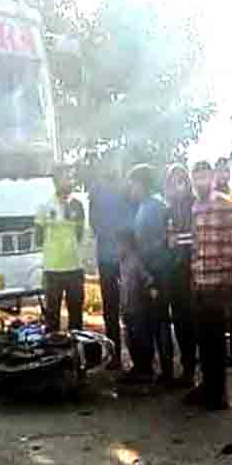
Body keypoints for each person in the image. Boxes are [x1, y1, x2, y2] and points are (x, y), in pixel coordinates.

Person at [184, 161, 232, 411]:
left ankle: (218, 396)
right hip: (199, 282)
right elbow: (196, 246)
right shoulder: (195, 207)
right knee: (203, 342)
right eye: (196, 179)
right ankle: (206, 386)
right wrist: (193, 278)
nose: (200, 183)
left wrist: (228, 285)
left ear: (212, 179)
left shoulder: (227, 206)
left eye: (204, 178)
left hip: (219, 285)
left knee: (217, 343)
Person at [124, 164, 174, 385]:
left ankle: (164, 371)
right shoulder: (149, 206)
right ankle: (159, 368)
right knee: (156, 322)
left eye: (133, 184)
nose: (130, 189)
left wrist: (148, 276)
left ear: (142, 184)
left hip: (155, 273)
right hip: (154, 272)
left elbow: (156, 243)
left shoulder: (152, 207)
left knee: (159, 323)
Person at [89, 156, 135, 369]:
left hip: (112, 256)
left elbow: (94, 224)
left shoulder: (97, 190)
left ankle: (117, 356)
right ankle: (133, 357)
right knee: (127, 307)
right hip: (121, 256)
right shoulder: (124, 188)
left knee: (112, 308)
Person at [36, 166, 86, 332]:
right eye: (66, 178)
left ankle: (76, 355)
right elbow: (38, 236)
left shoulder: (78, 205)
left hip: (74, 268)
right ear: (56, 181)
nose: (70, 181)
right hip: (52, 270)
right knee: (52, 319)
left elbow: (79, 234)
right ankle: (53, 356)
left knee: (76, 318)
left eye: (71, 178)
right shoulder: (44, 205)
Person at [164, 164, 197, 387]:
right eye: (173, 181)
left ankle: (198, 370)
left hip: (194, 272)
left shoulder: (196, 207)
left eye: (181, 180)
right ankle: (187, 369)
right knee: (180, 323)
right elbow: (168, 241)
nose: (178, 186)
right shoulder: (167, 210)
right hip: (174, 273)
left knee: (195, 322)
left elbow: (196, 240)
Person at [117, 229, 157, 384]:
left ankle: (146, 369)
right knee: (130, 339)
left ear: (128, 244)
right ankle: (138, 367)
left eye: (120, 245)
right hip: (128, 308)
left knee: (142, 338)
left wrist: (150, 291)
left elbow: (148, 279)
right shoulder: (123, 262)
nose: (118, 248)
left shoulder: (136, 260)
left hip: (138, 308)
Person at [214, 157, 232, 367]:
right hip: (211, 260)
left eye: (227, 171)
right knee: (214, 309)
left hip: (229, 260)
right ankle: (216, 350)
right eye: (220, 171)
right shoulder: (205, 197)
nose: (224, 175)